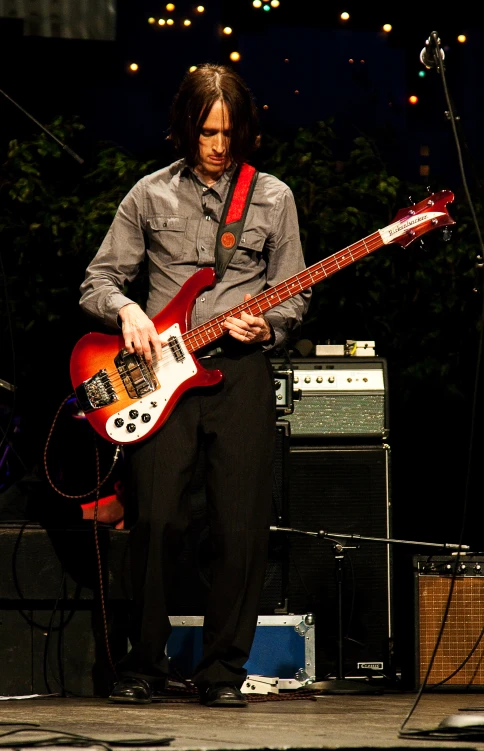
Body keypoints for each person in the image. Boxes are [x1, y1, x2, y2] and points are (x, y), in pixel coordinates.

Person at [78, 63, 311, 708]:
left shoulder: (274, 198)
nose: (218, 145)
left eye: (229, 133)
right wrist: (126, 312)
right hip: (159, 375)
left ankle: (221, 674)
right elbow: (97, 281)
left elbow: (295, 295)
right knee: (154, 519)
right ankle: (143, 665)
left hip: (238, 375)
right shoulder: (148, 196)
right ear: (185, 127)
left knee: (240, 529)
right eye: (207, 132)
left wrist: (269, 326)